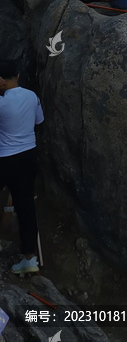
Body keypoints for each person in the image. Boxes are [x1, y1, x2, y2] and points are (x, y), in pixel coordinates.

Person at [0, 59, 44, 275]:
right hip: (29, 156)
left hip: (5, 159)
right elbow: (39, 121)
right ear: (17, 77)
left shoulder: (1, 104)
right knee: (26, 207)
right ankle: (29, 259)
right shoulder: (32, 96)